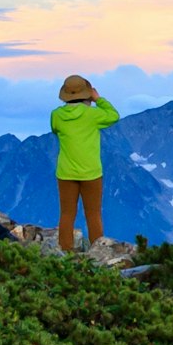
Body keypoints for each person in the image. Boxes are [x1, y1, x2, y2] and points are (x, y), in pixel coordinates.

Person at [50, 73, 122, 250]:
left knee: (67, 214)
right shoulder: (93, 115)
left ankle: (65, 253)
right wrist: (99, 99)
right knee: (93, 214)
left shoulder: (56, 116)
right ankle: (98, 252)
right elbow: (114, 116)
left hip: (65, 172)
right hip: (91, 173)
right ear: (87, 94)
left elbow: (55, 130)